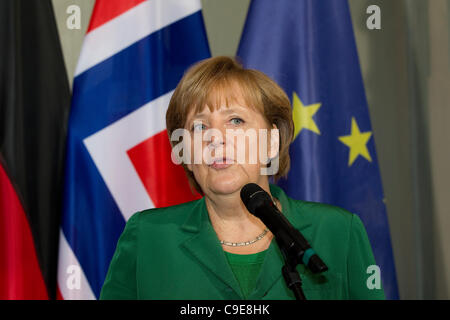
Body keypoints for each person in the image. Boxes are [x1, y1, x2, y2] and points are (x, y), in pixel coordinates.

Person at [100, 56, 385, 300]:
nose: (216, 138)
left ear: (271, 142)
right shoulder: (147, 237)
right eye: (199, 127)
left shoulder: (339, 232)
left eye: (235, 121)